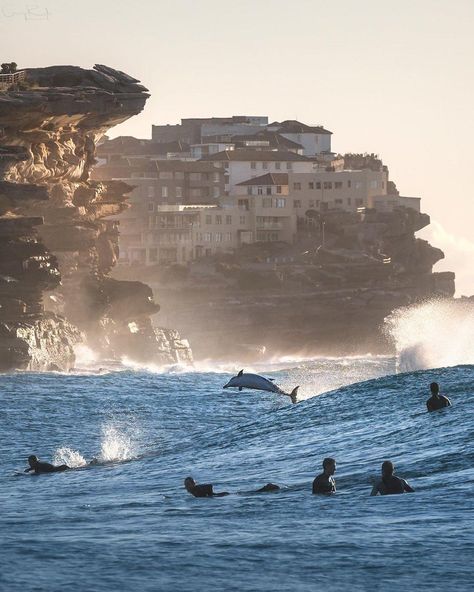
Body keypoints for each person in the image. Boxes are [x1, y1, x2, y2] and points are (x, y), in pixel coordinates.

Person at [184, 477, 280, 497]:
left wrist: (210, 496)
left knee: (248, 494)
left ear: (193, 484)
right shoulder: (195, 491)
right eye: (185, 485)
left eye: (188, 484)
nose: (186, 487)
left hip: (222, 495)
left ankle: (267, 488)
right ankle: (266, 488)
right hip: (221, 495)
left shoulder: (196, 490)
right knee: (247, 494)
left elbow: (209, 486)